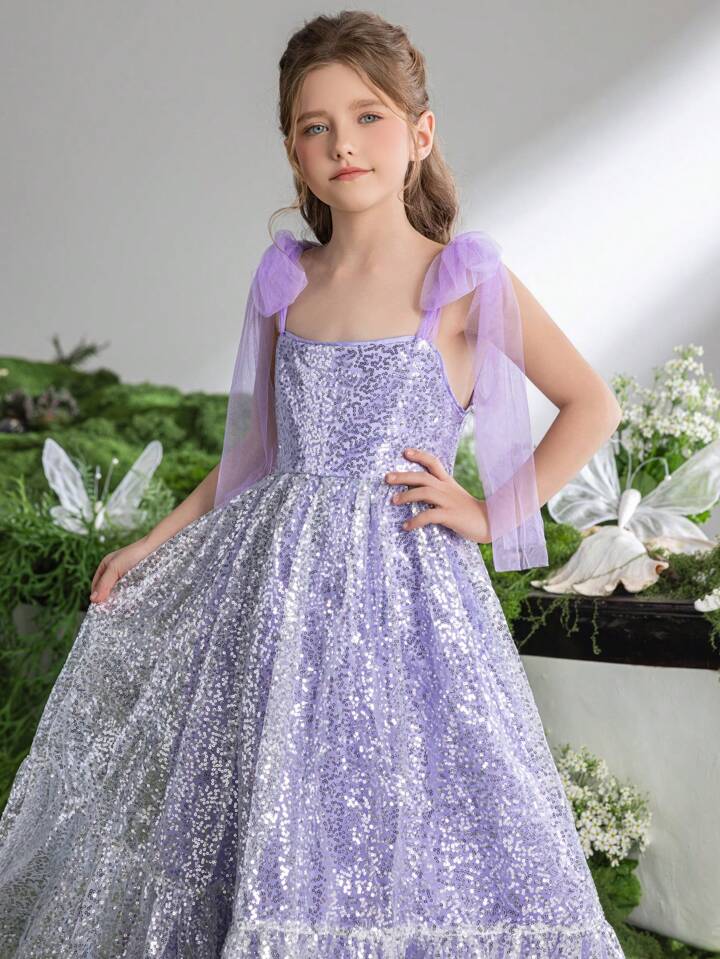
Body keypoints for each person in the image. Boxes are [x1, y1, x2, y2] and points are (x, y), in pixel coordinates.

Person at [0, 11, 626, 958]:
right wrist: (152, 542)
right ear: (294, 151)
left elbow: (590, 403)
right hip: (278, 598)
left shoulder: (462, 280)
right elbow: (258, 449)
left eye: (369, 116)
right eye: (315, 126)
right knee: (278, 808)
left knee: (398, 807)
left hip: (405, 602)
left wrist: (492, 514)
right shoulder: (288, 282)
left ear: (420, 133)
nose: (344, 144)